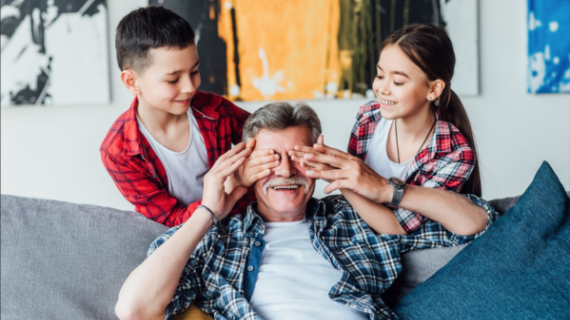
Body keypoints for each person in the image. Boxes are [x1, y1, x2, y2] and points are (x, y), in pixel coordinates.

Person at [114, 102, 498, 320]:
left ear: (317, 159)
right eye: (270, 160)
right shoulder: (218, 237)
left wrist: (381, 189)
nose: (284, 172)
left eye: (298, 158)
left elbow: (478, 223)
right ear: (246, 163)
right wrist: (211, 209)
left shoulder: (354, 218)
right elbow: (134, 308)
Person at [290, 24, 483, 235]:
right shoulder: (368, 119)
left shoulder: (454, 153)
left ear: (433, 89)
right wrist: (338, 171)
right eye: (380, 76)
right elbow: (358, 203)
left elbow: (397, 228)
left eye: (398, 81)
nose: (382, 89)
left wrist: (342, 179)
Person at [100, 7, 278, 227]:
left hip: (248, 223)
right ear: (131, 82)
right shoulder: (119, 153)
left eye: (194, 71)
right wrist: (235, 182)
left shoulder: (217, 110)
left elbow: (272, 140)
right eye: (173, 80)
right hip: (188, 241)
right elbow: (172, 222)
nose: (190, 86)